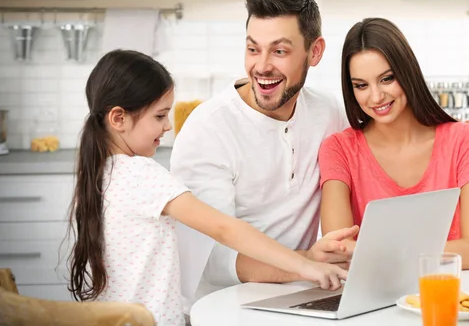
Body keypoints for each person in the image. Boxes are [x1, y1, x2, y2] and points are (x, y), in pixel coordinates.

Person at [170, 0, 469, 307]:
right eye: (253, 49)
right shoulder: (208, 129)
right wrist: (306, 261)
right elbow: (212, 260)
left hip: (307, 293)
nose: (262, 66)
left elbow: (385, 134)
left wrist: (462, 143)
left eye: (279, 51)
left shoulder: (327, 114)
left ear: (315, 52)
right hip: (224, 305)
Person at [64, 49, 353, 326]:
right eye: (159, 116)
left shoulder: (101, 173)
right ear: (118, 118)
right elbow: (224, 229)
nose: (167, 127)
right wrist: (306, 266)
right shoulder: (141, 174)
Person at [318, 18, 469, 270]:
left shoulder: (465, 141)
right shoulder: (338, 150)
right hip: (374, 303)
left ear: (407, 71)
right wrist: (433, 253)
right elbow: (340, 252)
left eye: (387, 79)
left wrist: (371, 251)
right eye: (361, 85)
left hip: (451, 297)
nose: (376, 97)